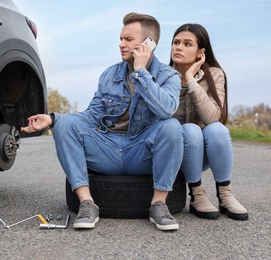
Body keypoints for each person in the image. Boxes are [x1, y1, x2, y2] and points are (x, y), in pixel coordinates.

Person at [21, 12, 183, 231]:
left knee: (172, 127)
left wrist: (141, 72)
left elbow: (166, 110)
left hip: (142, 152)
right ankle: (87, 203)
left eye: (128, 39)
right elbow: (91, 116)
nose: (121, 44)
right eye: (120, 39)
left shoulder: (169, 75)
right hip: (108, 149)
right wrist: (51, 119)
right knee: (65, 124)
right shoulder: (109, 74)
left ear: (149, 44)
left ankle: (159, 204)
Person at [169, 23, 248, 220]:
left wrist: (191, 80)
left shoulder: (215, 74)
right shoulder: (162, 76)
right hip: (174, 151)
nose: (179, 47)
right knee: (190, 130)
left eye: (187, 44)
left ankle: (225, 195)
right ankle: (197, 194)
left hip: (201, 151)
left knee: (217, 130)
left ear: (200, 52)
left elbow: (213, 117)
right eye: (176, 42)